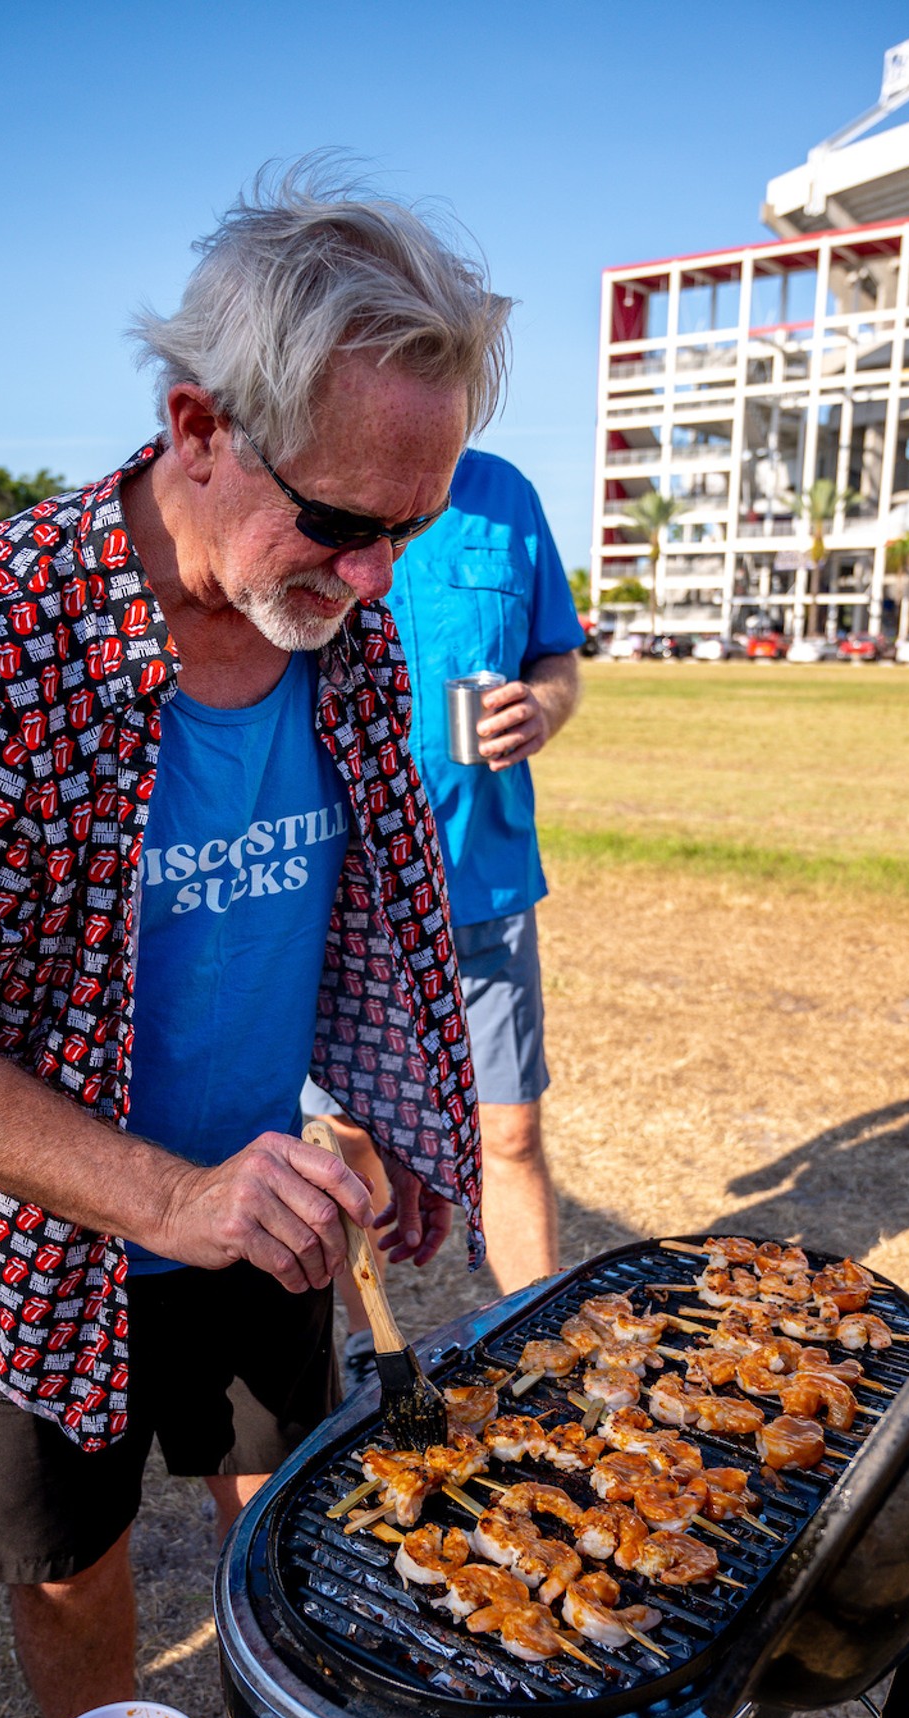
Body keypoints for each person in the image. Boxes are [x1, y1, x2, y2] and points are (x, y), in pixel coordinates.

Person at [0, 165, 510, 1718]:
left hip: (262, 1197)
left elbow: (369, 902)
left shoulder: (338, 617)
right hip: (36, 1235)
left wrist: (394, 1121)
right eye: (343, 522)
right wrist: (175, 1199)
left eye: (407, 532)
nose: (373, 579)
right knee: (72, 1568)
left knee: (286, 1520)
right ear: (198, 427)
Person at [314, 449, 582, 1388]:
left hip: (485, 881)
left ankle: (539, 1346)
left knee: (508, 1133)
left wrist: (542, 707)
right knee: (348, 1137)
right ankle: (368, 1345)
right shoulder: (320, 472)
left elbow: (557, 654)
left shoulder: (510, 495)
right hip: (350, 892)